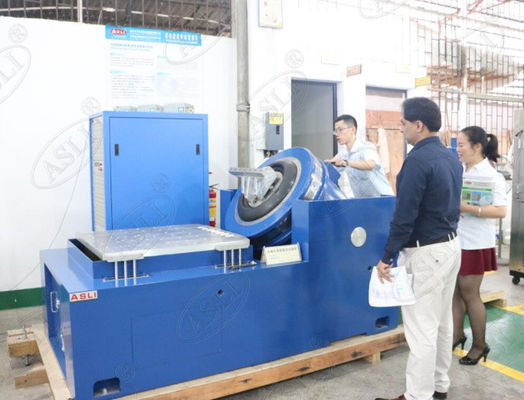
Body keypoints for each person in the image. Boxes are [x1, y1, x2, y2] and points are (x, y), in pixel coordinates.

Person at [374, 97, 463, 400]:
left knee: (421, 328)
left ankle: (417, 396)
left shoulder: (417, 161)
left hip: (426, 254)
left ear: (419, 124)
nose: (401, 128)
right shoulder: (450, 157)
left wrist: (387, 257)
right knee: (442, 323)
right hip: (450, 246)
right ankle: (439, 386)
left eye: (403, 123)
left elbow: (404, 216)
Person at [452, 127, 507, 366]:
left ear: (477, 147)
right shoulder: (460, 170)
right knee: (454, 292)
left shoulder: (491, 175)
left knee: (470, 294)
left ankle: (479, 344)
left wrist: (469, 208)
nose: (458, 149)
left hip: (475, 243)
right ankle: (456, 335)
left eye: (461, 145)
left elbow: (501, 210)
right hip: (456, 239)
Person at [327, 114, 393, 197]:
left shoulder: (366, 147)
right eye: (335, 131)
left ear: (353, 130)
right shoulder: (343, 154)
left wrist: (346, 163)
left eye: (340, 130)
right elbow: (330, 168)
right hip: (363, 200)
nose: (337, 134)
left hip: (383, 198)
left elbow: (371, 165)